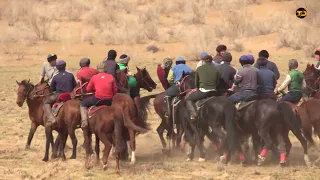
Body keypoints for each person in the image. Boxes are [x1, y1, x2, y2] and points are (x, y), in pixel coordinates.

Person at [80, 62, 118, 128]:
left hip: (98, 99)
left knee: (83, 104)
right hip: (109, 99)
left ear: (97, 69)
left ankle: (84, 121)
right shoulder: (111, 77)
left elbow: (88, 89)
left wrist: (95, 88)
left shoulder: (94, 77)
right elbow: (115, 90)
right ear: (106, 69)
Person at [43, 60, 77, 127]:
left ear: (57, 68)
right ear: (65, 66)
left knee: (46, 102)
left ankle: (52, 119)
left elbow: (52, 89)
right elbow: (75, 85)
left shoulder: (55, 77)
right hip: (70, 95)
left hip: (59, 95)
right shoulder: (70, 75)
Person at [186, 55, 220, 120]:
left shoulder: (199, 69)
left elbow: (196, 83)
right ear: (211, 61)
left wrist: (198, 88)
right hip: (214, 91)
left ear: (204, 61)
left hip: (203, 91)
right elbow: (217, 82)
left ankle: (194, 115)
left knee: (188, 99)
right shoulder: (216, 70)